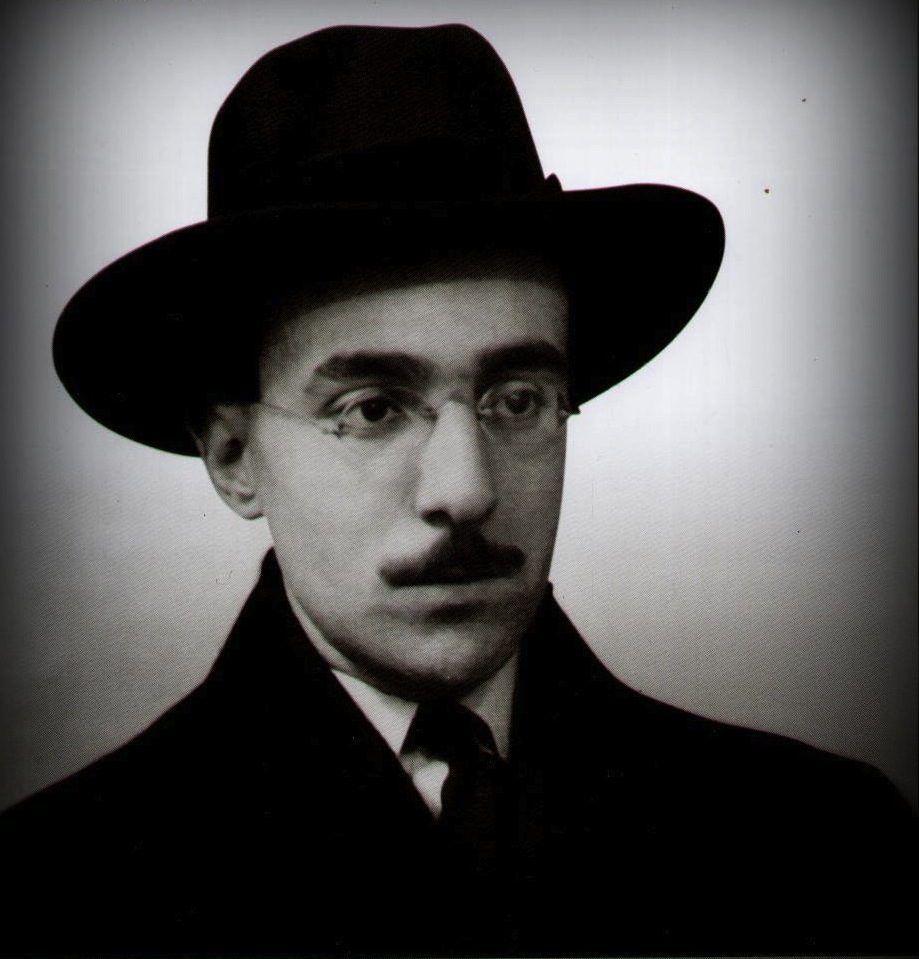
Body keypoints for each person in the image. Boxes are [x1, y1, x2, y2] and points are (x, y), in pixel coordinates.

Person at [1, 23, 914, 957]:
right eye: (370, 409)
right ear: (235, 456)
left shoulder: (820, 842)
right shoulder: (54, 894)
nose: (465, 490)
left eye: (516, 399)